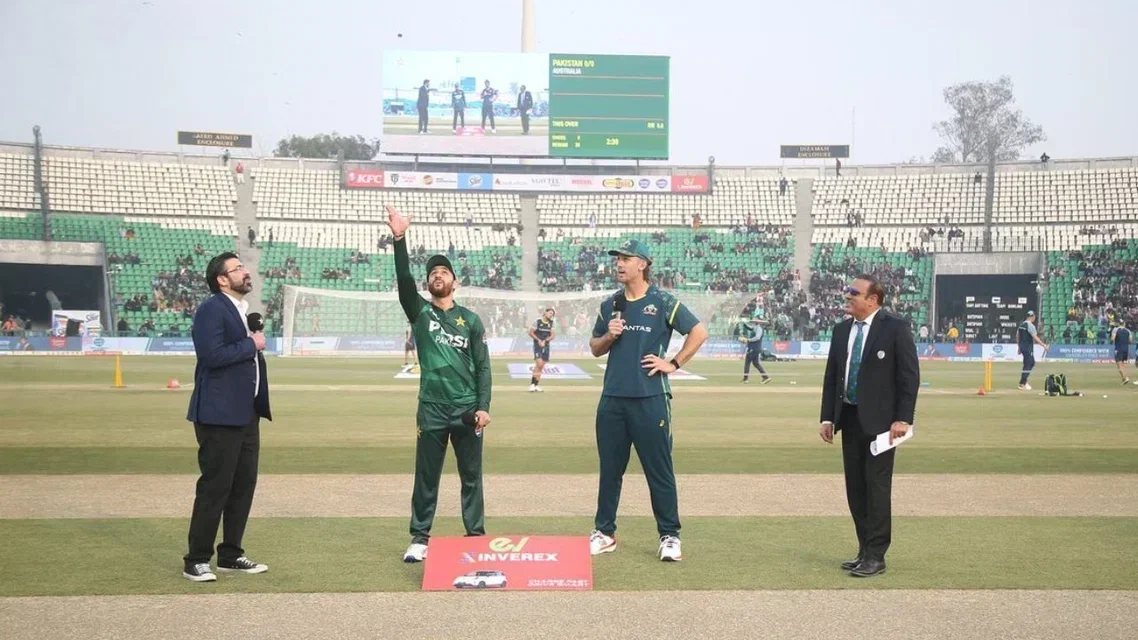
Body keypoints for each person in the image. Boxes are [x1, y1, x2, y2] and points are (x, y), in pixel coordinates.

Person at [588, 238, 709, 562]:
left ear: (643, 264)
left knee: (659, 470)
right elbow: (595, 347)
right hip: (612, 398)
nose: (619, 264)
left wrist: (673, 363)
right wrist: (609, 336)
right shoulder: (611, 304)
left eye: (626, 258)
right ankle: (605, 532)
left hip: (650, 398)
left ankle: (670, 536)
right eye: (617, 259)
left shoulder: (663, 301)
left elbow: (698, 332)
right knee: (610, 470)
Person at [385, 204, 492, 563]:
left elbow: (483, 368)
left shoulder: (471, 321)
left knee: (472, 477)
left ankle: (475, 536)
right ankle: (419, 537)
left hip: (466, 410)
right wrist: (400, 239)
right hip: (431, 407)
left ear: (455, 282)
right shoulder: (420, 312)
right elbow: (403, 282)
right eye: (432, 273)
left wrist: (483, 407)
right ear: (428, 283)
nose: (437, 276)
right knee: (426, 476)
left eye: (444, 272)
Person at [819, 274, 919, 578]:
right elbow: (833, 375)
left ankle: (877, 555)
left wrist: (903, 418)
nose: (848, 296)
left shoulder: (895, 328)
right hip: (848, 418)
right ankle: (864, 549)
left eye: (854, 293)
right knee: (856, 488)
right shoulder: (841, 330)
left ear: (872, 299)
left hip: (882, 424)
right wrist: (827, 417)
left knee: (876, 487)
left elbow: (908, 376)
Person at [183, 252, 271, 582]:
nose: (246, 272)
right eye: (238, 269)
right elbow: (211, 355)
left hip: (246, 414)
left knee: (242, 486)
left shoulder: (240, 311)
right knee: (215, 487)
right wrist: (252, 344)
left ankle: (231, 554)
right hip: (218, 415)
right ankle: (196, 559)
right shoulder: (211, 309)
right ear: (222, 279)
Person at [1016, 310, 1048, 391]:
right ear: (1032, 317)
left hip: (1023, 347)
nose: (1034, 318)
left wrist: (1019, 347)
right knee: (1031, 363)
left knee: (1027, 363)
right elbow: (1035, 337)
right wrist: (1044, 345)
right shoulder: (1030, 326)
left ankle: (1024, 381)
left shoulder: (1022, 325)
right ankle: (1022, 383)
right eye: (1034, 317)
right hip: (1028, 348)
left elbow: (1017, 336)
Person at [738, 311, 771, 384]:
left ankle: (746, 379)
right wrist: (743, 323)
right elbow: (750, 328)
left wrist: (748, 340)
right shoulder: (756, 327)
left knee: (748, 362)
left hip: (754, 347)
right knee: (756, 363)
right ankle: (765, 377)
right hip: (754, 347)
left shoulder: (759, 328)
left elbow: (757, 337)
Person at [527, 307, 555, 392]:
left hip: (546, 346)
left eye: (552, 314)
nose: (551, 315)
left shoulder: (552, 323)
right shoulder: (538, 321)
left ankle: (536, 385)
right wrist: (539, 340)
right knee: (538, 363)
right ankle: (532, 384)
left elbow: (553, 335)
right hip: (538, 345)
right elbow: (530, 332)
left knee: (541, 366)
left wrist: (545, 341)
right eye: (550, 313)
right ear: (545, 312)